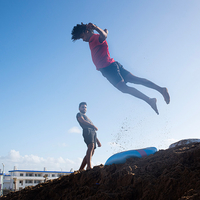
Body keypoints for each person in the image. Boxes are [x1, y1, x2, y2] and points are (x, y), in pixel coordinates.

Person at [71, 23, 170, 114]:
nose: (83, 39)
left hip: (108, 69)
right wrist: (104, 30)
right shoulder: (93, 39)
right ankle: (161, 90)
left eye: (82, 37)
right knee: (136, 80)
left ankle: (149, 100)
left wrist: (96, 28)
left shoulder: (95, 38)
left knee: (124, 88)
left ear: (86, 32)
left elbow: (104, 35)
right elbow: (106, 31)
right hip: (113, 64)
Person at [76, 102, 101, 170]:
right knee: (91, 146)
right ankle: (89, 166)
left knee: (92, 150)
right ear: (79, 108)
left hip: (93, 133)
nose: (84, 108)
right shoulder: (79, 114)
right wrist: (93, 125)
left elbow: (93, 131)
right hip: (87, 131)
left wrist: (98, 141)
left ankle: (81, 168)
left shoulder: (88, 118)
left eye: (85, 107)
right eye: (82, 107)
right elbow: (82, 121)